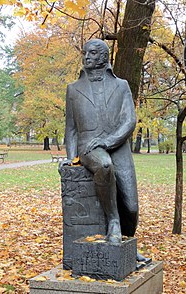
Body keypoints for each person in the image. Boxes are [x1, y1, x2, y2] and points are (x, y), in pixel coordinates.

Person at [61, 39, 138, 245]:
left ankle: (126, 246)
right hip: (89, 147)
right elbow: (71, 129)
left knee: (131, 207)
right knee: (104, 165)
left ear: (103, 57)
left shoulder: (121, 86)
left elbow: (129, 120)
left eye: (92, 53)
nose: (86, 57)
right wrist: (72, 158)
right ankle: (113, 222)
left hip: (118, 145)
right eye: (85, 53)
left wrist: (109, 141)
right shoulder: (73, 89)